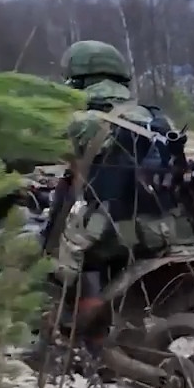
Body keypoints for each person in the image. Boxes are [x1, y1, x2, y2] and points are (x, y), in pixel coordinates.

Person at [49, 39, 156, 335]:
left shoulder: (81, 122)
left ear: (76, 80)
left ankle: (59, 334)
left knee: (39, 250)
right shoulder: (153, 117)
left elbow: (32, 152)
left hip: (106, 234)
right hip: (156, 229)